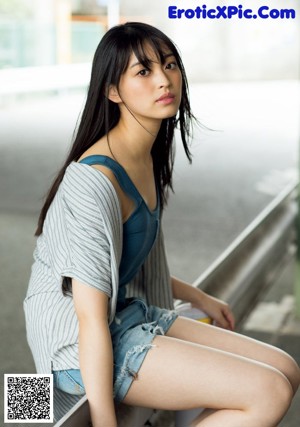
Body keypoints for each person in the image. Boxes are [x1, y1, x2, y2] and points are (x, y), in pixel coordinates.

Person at [24, 22, 300, 427]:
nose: (164, 79)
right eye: (143, 71)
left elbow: (124, 259)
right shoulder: (91, 181)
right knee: (268, 392)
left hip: (127, 316)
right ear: (112, 91)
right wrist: (104, 422)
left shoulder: (142, 156)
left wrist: (199, 297)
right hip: (73, 347)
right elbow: (87, 315)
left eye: (169, 65)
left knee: (287, 369)